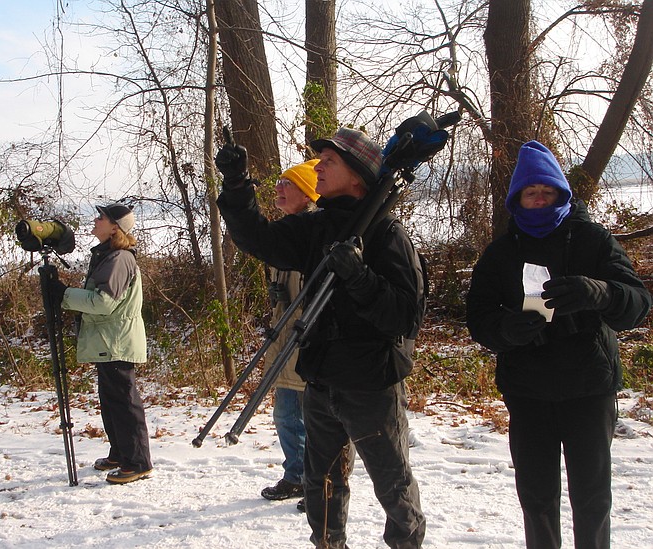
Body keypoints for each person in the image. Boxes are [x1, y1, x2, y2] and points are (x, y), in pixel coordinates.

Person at [216, 128, 426, 548]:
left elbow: (405, 316)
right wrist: (237, 186)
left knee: (392, 482)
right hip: (321, 377)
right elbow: (257, 239)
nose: (319, 168)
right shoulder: (315, 228)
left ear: (357, 175)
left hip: (370, 383)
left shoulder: (385, 233)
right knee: (321, 481)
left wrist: (361, 278)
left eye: (329, 161)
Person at [466, 140, 651, 549]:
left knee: (591, 497)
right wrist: (506, 329)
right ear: (517, 199)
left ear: (562, 194)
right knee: (535, 498)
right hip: (528, 389)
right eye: (531, 193)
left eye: (547, 192)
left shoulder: (593, 240)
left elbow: (638, 304)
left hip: (588, 385)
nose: (539, 200)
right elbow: (478, 318)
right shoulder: (500, 253)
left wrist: (599, 292)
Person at [48, 203, 153, 485]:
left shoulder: (119, 258)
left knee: (123, 402)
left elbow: (104, 303)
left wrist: (64, 294)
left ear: (115, 227)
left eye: (101, 217)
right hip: (109, 340)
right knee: (111, 401)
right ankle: (120, 453)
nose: (95, 221)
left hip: (116, 340)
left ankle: (138, 462)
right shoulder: (108, 255)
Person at [260, 159, 319, 510]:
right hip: (284, 339)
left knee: (314, 420)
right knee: (285, 415)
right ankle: (296, 475)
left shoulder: (315, 233)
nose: (279, 188)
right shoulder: (284, 233)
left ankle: (318, 482)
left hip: (307, 341)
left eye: (288, 183)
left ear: (308, 192)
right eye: (279, 181)